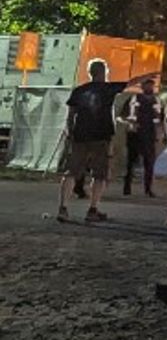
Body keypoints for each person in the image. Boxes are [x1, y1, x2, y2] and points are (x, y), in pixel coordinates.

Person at [57, 59, 119, 223]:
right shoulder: (108, 89)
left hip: (80, 136)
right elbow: (131, 82)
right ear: (104, 72)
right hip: (101, 136)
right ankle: (93, 209)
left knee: (70, 172)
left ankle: (63, 207)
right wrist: (148, 76)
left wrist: (70, 132)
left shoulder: (79, 91)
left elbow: (71, 115)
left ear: (90, 72)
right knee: (99, 175)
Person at [120, 76, 164, 197]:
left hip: (150, 135)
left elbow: (161, 119)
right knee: (131, 162)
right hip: (135, 134)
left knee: (149, 163)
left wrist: (160, 133)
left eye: (151, 85)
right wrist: (130, 123)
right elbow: (121, 116)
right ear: (142, 86)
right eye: (147, 84)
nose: (149, 87)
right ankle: (127, 187)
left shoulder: (157, 101)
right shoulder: (133, 99)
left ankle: (148, 188)